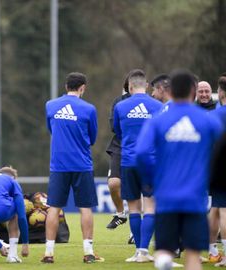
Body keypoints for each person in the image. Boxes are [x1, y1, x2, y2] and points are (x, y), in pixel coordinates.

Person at [136, 69, 223, 270]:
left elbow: (141, 153)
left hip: (166, 196)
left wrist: (151, 179)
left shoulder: (158, 120)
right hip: (195, 196)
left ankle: (164, 262)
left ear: (171, 91)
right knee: (193, 256)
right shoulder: (208, 120)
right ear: (193, 90)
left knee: (165, 251)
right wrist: (214, 181)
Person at [42, 72, 103, 264]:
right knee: (85, 207)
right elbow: (92, 138)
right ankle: (88, 252)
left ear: (66, 86)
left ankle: (48, 253)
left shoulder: (50, 105)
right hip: (82, 164)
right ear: (82, 87)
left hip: (58, 165)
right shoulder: (89, 109)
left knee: (54, 207)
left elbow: (51, 129)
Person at [113, 69, 163, 263]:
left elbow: (118, 132)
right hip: (151, 162)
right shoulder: (158, 106)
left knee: (133, 207)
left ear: (130, 86)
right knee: (150, 206)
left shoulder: (121, 106)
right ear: (147, 85)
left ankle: (137, 252)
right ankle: (144, 250)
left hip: (128, 161)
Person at [205, 72, 226, 265]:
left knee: (219, 208)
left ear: (220, 93)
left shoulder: (213, 116)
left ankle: (214, 251)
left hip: (219, 167)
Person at [105, 76, 130, 230]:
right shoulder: (118, 102)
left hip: (142, 149)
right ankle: (120, 214)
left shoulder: (149, 103)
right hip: (119, 146)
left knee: (141, 192)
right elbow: (113, 126)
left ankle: (135, 233)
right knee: (114, 183)